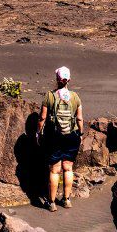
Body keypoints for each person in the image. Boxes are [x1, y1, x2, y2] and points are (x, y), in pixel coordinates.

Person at [37, 66, 83, 211]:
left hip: (54, 136)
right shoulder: (75, 97)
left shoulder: (49, 96)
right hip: (72, 135)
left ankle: (51, 203)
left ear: (57, 79)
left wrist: (38, 133)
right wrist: (80, 134)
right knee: (68, 168)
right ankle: (66, 199)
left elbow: (42, 117)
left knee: (55, 170)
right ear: (69, 79)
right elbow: (80, 118)